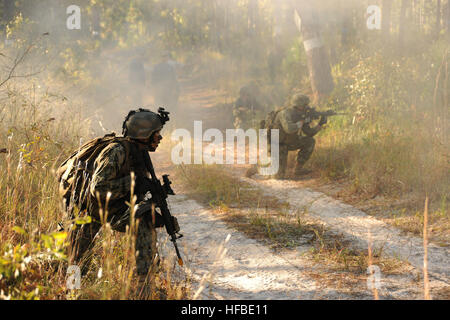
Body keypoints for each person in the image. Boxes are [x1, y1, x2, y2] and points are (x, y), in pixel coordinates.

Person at [60, 108, 172, 296]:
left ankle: (144, 288)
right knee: (76, 257)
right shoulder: (117, 151)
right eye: (156, 134)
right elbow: (98, 189)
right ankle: (71, 293)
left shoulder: (140, 152)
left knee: (144, 220)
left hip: (114, 209)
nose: (159, 138)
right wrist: (135, 183)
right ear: (143, 134)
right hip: (87, 209)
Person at [248, 93, 327, 179]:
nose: (307, 107)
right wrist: (302, 122)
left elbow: (309, 133)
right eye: (305, 105)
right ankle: (257, 168)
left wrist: (320, 125)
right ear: (299, 105)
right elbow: (289, 129)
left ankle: (298, 169)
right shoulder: (285, 114)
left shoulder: (301, 115)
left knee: (310, 141)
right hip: (276, 145)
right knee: (277, 177)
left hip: (289, 142)